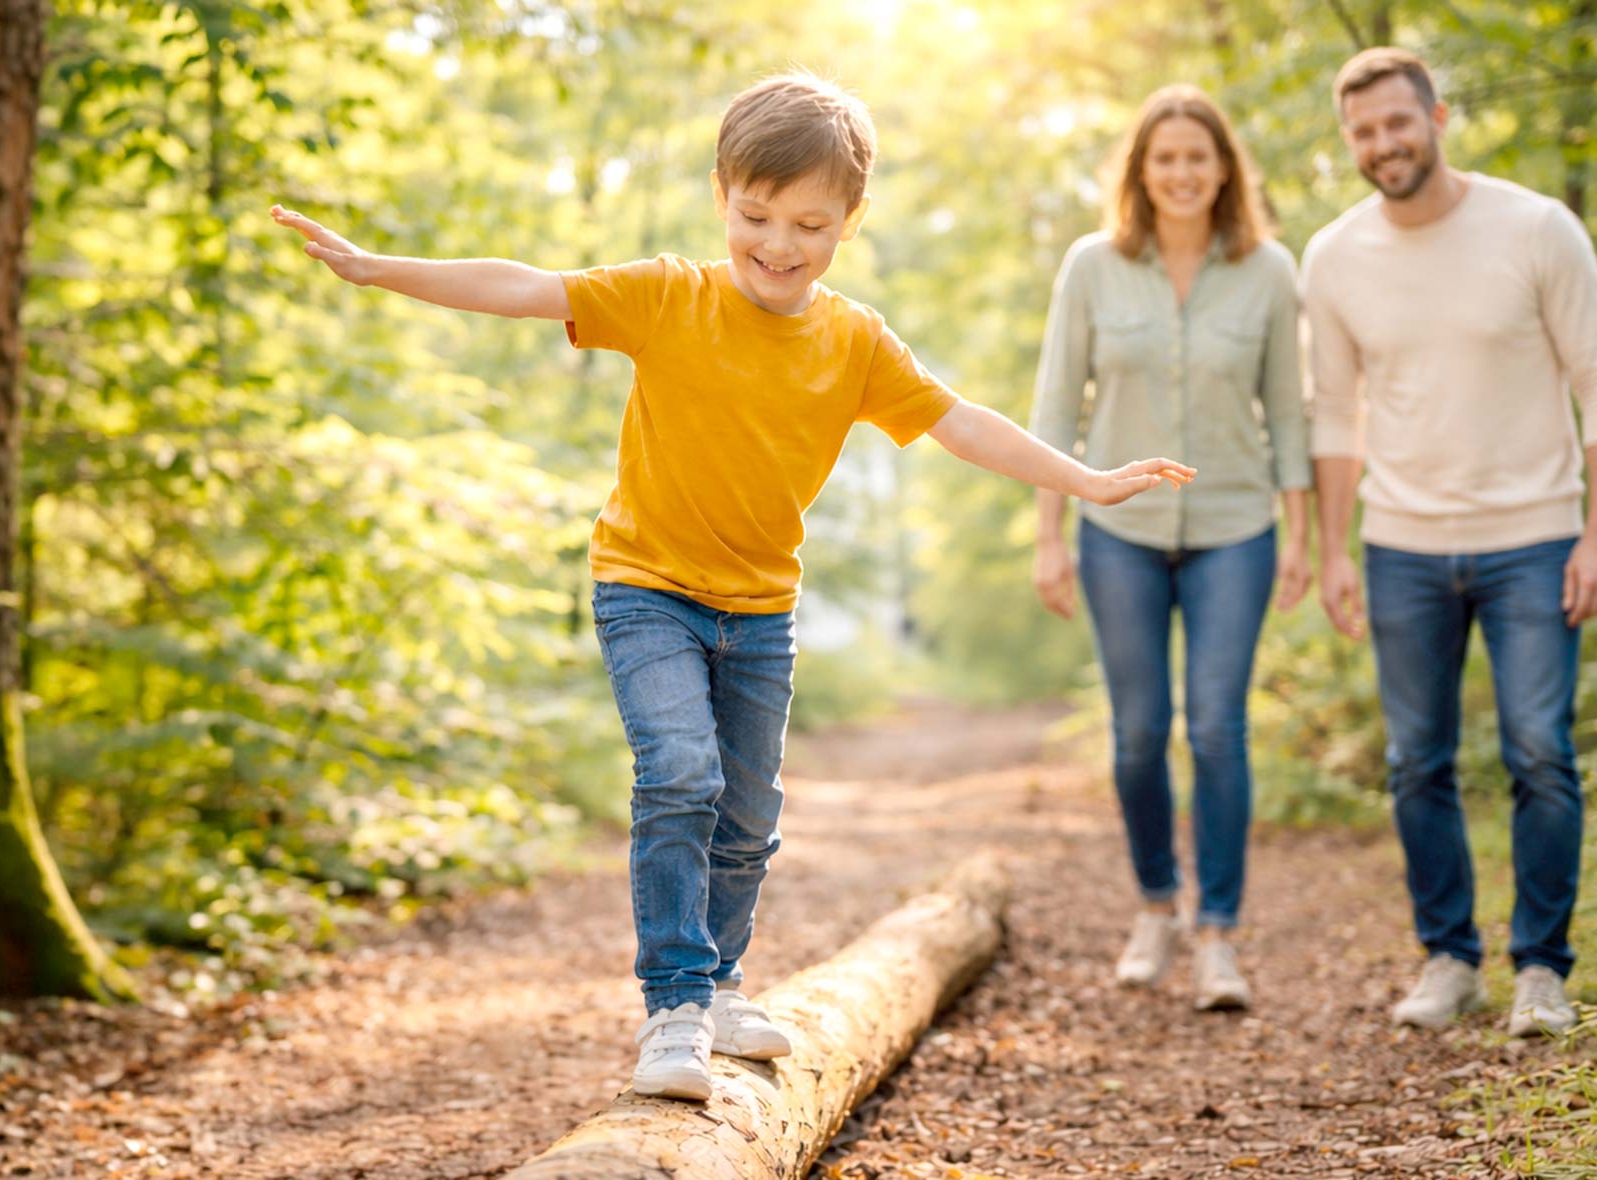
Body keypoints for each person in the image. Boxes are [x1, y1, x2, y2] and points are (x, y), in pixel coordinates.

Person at [276, 71, 1194, 1100]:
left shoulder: (852, 340)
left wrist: (1081, 478)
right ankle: (672, 1002)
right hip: (646, 588)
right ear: (722, 192)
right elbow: (526, 283)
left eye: (807, 222)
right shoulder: (670, 294)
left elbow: (959, 420)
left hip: (760, 610)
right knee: (679, 773)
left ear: (849, 221)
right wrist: (375, 270)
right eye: (755, 214)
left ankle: (718, 985)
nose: (777, 243)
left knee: (749, 815)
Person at [1299, 48, 1597, 1037]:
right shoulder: (1334, 257)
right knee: (1416, 761)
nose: (1381, 145)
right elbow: (1333, 418)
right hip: (1400, 545)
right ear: (1348, 142)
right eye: (1361, 132)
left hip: (1536, 537)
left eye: (1397, 123)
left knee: (1538, 750)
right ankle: (1448, 958)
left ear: (1437, 116)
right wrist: (1330, 550)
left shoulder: (1534, 227)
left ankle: (1541, 969)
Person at [1028, 84, 1311, 1013]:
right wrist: (1049, 537)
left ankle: (1219, 936)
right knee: (1141, 728)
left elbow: (1292, 419)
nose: (1183, 173)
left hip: (1237, 528)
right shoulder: (1091, 266)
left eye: (1199, 156)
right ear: (1140, 173)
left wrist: (1304, 536)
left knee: (1218, 727)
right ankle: (1157, 905)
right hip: (1120, 530)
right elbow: (1053, 408)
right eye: (1165, 158)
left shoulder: (1269, 269)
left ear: (1224, 168)